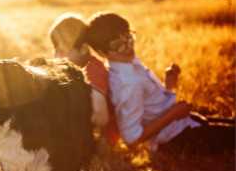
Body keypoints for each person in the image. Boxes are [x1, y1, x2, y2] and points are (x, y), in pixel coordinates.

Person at [82, 12, 234, 155]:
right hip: (178, 139)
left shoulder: (129, 63)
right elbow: (132, 139)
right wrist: (173, 114)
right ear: (102, 53)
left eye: (128, 37)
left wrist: (169, 85)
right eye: (118, 44)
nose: (128, 46)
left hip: (184, 124)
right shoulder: (127, 83)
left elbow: (154, 107)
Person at [48, 12, 119, 144]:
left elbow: (101, 117)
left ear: (83, 49)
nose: (57, 56)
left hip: (103, 137)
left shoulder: (92, 70)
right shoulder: (74, 69)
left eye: (62, 51)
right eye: (55, 50)